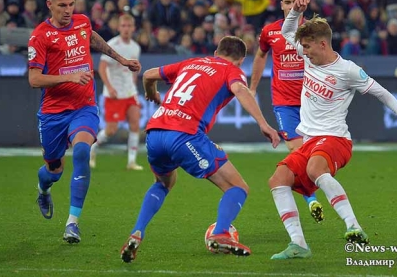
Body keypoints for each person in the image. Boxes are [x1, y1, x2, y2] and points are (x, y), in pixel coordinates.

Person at [269, 0, 397, 259]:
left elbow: (382, 93)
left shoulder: (348, 71)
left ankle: (353, 226)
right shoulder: (308, 56)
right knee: (278, 180)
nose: (304, 52)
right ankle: (298, 244)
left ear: (323, 44)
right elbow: (288, 32)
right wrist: (295, 13)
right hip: (309, 140)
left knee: (314, 169)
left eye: (309, 47)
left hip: (335, 139)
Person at [120, 36, 281, 263]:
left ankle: (137, 232)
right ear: (241, 59)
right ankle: (221, 233)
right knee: (238, 187)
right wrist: (264, 124)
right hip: (185, 134)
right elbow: (241, 91)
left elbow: (148, 75)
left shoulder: (191, 62)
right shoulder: (231, 70)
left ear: (216, 51)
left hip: (155, 132)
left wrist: (151, 93)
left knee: (163, 183)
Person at [28, 0, 141, 244]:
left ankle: (72, 223)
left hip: (84, 107)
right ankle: (43, 188)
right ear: (50, 5)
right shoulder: (40, 36)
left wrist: (121, 60)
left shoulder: (82, 22)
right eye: (62, 6)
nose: (68, 10)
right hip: (54, 113)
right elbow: (34, 79)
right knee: (53, 170)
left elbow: (91, 37)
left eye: (71, 4)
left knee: (81, 151)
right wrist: (69, 77)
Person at [249, 0, 324, 223]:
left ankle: (309, 191)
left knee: (314, 153)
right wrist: (252, 86)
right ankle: (310, 199)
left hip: (311, 100)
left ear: (304, 3)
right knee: (296, 150)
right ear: (281, 5)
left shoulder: (313, 31)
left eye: (296, 2)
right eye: (287, 2)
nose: (292, 6)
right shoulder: (270, 32)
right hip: (284, 102)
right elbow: (261, 55)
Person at [90, 14, 143, 171]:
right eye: (123, 26)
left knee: (135, 124)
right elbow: (102, 68)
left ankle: (131, 162)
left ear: (133, 28)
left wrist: (133, 83)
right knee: (111, 130)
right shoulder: (112, 45)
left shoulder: (136, 47)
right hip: (114, 94)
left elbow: (133, 70)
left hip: (129, 92)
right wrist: (110, 87)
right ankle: (92, 149)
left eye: (129, 26)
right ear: (119, 27)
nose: (126, 29)